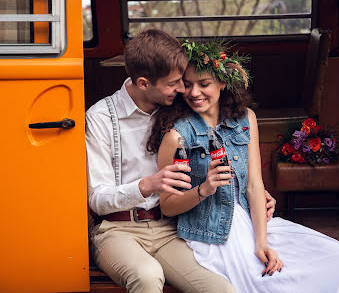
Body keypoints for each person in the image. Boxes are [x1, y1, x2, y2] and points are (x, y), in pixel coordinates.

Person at [149, 39, 339, 293]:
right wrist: (203, 189)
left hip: (254, 224)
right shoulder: (176, 137)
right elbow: (168, 206)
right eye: (188, 85)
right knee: (275, 283)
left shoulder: (245, 119)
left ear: (222, 83)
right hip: (212, 236)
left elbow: (253, 185)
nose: (194, 93)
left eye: (204, 84)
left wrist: (261, 243)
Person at [85, 29, 275, 293]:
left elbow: (220, 144)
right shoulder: (100, 118)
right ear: (143, 84)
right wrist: (146, 185)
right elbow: (97, 198)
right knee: (147, 276)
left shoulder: (179, 106)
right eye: (174, 83)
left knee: (222, 289)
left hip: (169, 227)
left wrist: (247, 190)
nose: (184, 89)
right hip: (117, 230)